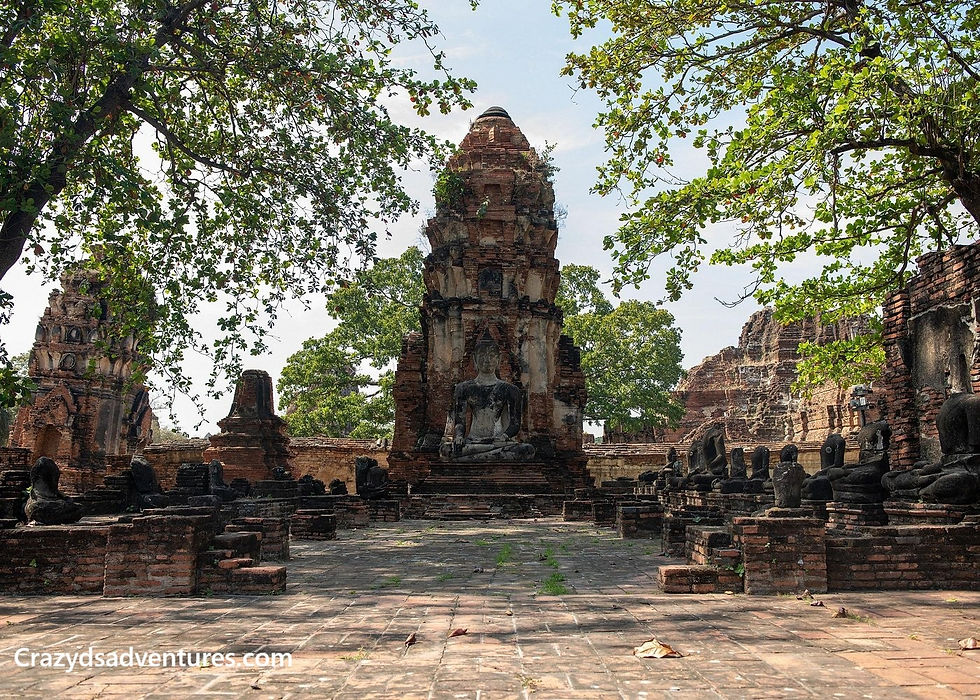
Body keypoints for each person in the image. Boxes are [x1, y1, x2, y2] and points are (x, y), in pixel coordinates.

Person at [440, 339, 535, 462]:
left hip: (498, 441)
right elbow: (460, 422)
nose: (487, 360)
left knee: (527, 450)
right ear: (474, 359)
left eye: (492, 356)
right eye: (482, 356)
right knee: (446, 450)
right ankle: (486, 456)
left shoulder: (511, 390)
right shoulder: (463, 388)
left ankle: (471, 458)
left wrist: (504, 437)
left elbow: (515, 425)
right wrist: (458, 436)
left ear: (499, 359)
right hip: (473, 441)